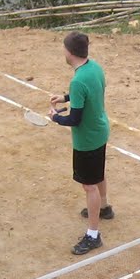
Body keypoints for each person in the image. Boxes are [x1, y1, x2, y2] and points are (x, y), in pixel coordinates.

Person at [47, 31, 112, 256]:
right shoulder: (94, 68)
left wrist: (55, 117)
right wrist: (66, 98)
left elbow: (74, 119)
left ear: (70, 52)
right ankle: (105, 208)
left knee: (89, 185)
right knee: (99, 173)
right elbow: (90, 92)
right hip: (101, 130)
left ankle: (93, 235)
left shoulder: (78, 80)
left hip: (87, 139)